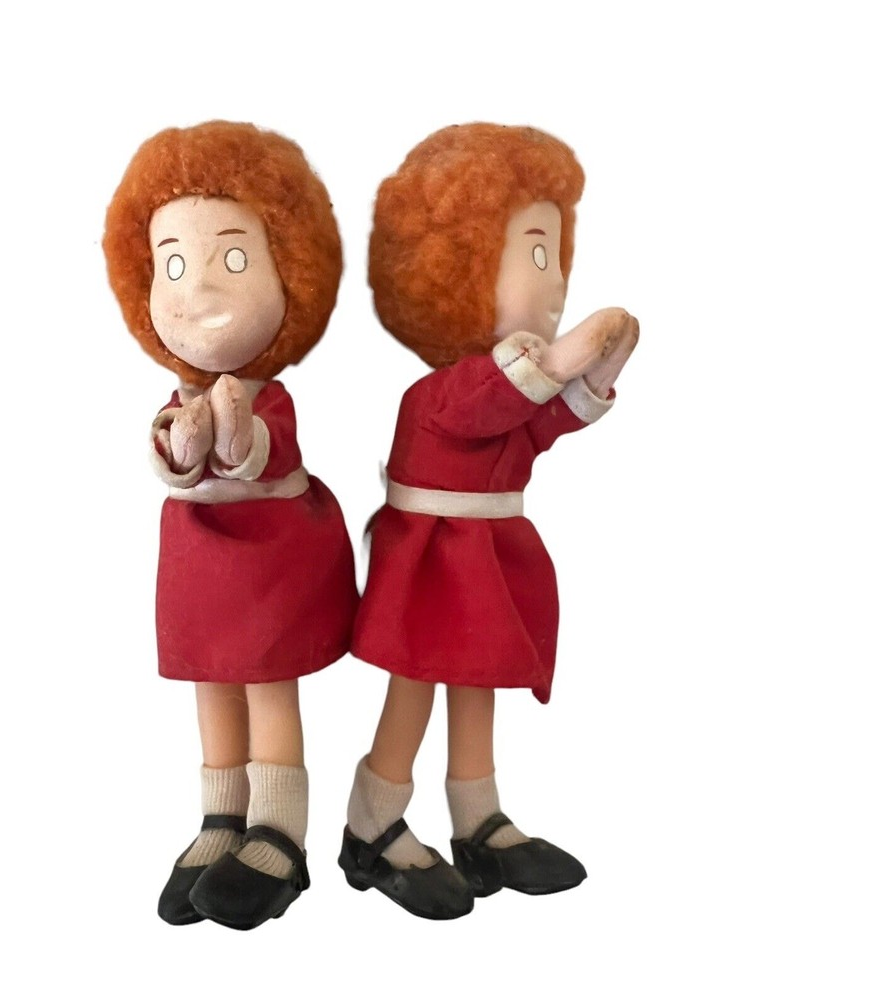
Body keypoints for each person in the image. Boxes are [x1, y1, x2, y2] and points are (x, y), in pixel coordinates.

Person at [341, 122, 639, 919]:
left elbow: (539, 424)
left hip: (484, 556)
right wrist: (572, 354)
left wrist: (599, 370)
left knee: (479, 682)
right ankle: (370, 823)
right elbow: (496, 404)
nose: (553, 283)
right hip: (432, 561)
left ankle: (478, 817)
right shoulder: (440, 393)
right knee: (415, 684)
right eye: (534, 254)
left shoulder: (505, 386)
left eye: (555, 257)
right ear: (458, 266)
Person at [104, 121, 357, 930]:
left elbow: (258, 450)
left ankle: (280, 833)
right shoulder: (179, 397)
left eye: (235, 260)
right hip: (197, 563)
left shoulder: (269, 397)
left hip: (268, 562)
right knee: (211, 683)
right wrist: (179, 441)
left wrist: (233, 427)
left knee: (267, 685)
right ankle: (222, 816)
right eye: (173, 264)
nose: (198, 290)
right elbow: (174, 455)